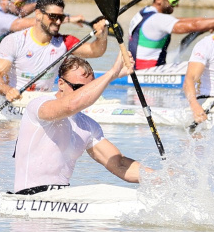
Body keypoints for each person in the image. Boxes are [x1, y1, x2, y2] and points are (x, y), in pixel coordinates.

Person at [12, 53, 143, 194]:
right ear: (61, 84)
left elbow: (119, 164)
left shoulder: (88, 126)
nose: (86, 93)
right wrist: (112, 73)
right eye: (78, 88)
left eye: (90, 88)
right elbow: (70, 106)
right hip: (27, 196)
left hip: (63, 199)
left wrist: (161, 177)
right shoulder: (38, 105)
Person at [0, 0, 108, 103]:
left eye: (61, 17)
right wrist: (8, 90)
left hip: (43, 103)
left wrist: (102, 37)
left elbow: (95, 51)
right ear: (38, 14)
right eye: (53, 16)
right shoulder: (15, 40)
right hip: (16, 102)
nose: (58, 22)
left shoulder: (64, 42)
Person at [127, 0, 214, 70]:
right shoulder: (158, 19)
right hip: (148, 73)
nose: (177, 5)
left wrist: (207, 24)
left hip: (138, 70)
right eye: (173, 2)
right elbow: (195, 25)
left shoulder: (145, 13)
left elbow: (193, 22)